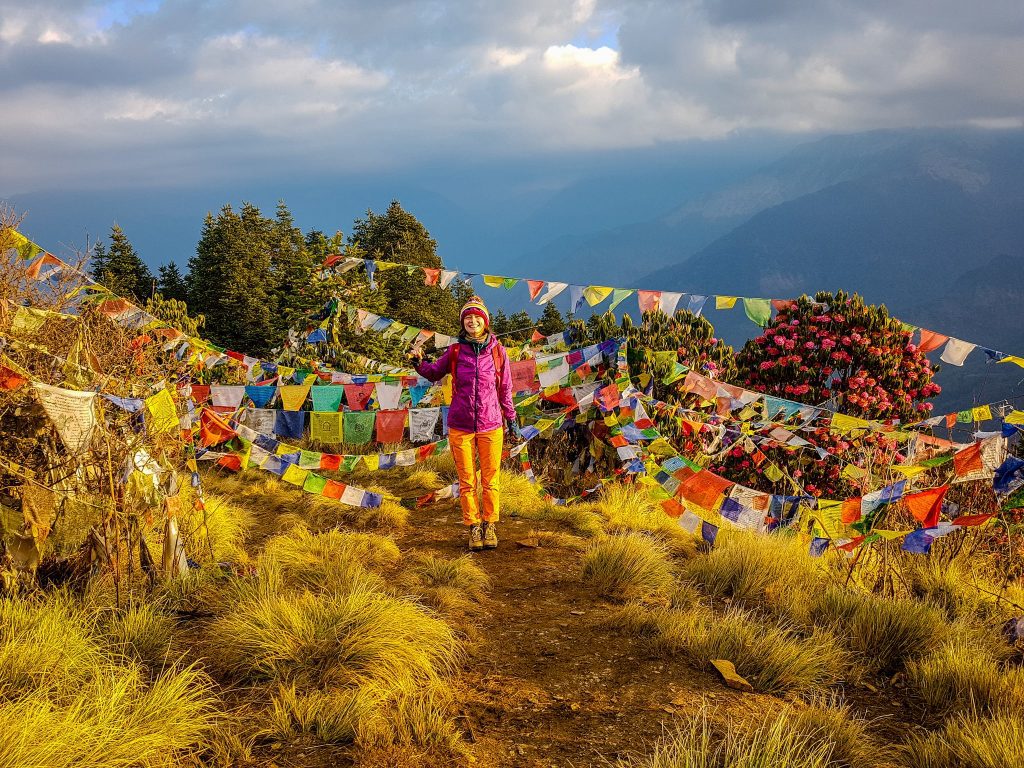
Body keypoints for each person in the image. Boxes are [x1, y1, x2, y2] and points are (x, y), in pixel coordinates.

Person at [410, 296, 516, 551]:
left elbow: (505, 388)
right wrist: (418, 362)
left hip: (491, 423)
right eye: (468, 317)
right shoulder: (455, 351)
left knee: (490, 480)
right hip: (460, 424)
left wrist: (511, 418)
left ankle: (490, 524)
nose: (472, 320)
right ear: (463, 322)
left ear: (485, 321)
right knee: (467, 481)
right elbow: (434, 372)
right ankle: (474, 527)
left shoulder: (498, 351)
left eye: (477, 316)